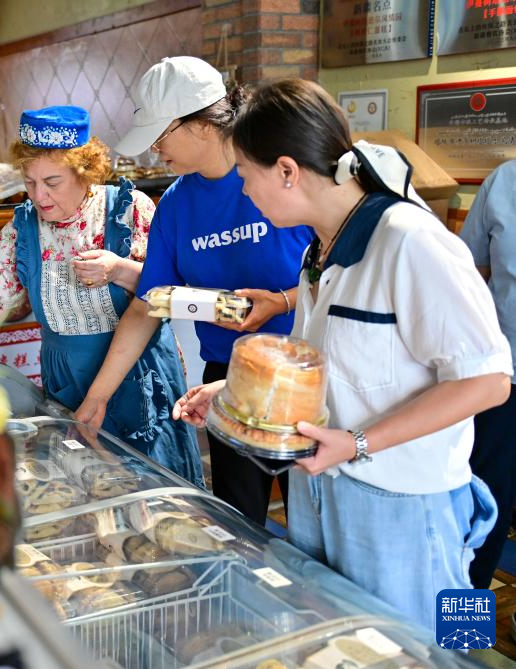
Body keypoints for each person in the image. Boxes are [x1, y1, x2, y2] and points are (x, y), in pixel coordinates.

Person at [176, 78, 512, 633]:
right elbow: (329, 364)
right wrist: (235, 393)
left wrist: (358, 443)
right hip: (324, 488)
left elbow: (489, 381)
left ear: (286, 170)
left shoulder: (411, 241)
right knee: (342, 642)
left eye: (245, 174)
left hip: (408, 505)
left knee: (443, 642)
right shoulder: (320, 248)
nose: (242, 189)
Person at [75, 57, 313, 525]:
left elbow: (341, 279)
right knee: (239, 524)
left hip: (304, 369)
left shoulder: (282, 176)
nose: (154, 151)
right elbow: (148, 305)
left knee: (313, 524)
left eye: (161, 136)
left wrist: (281, 302)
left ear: (202, 124)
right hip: (228, 374)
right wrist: (97, 397)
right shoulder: (177, 204)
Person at [0, 105, 202, 484]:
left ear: (84, 172)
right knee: (86, 486)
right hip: (68, 379)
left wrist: (119, 269)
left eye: (52, 182)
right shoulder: (20, 229)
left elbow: (171, 293)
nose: (39, 196)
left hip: (138, 375)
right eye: (30, 182)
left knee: (154, 490)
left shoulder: (129, 210)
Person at [459, 159, 516, 591]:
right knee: (481, 512)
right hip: (501, 383)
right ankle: (462, 635)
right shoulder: (504, 181)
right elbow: (470, 274)